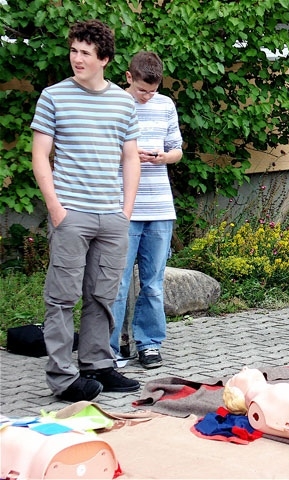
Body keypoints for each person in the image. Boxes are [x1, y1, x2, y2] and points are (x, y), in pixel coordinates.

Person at [30, 20, 141, 402]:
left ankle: (97, 365)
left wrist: (125, 211)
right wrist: (55, 207)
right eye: (73, 50)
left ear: (104, 59)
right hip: (71, 214)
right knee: (61, 298)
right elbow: (40, 156)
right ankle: (63, 379)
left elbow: (130, 157)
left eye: (85, 53)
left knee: (102, 297)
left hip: (111, 217)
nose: (76, 59)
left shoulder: (123, 102)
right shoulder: (54, 97)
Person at [109, 51, 183, 369]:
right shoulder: (112, 103)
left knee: (153, 283)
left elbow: (177, 150)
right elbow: (101, 150)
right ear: (129, 77)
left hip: (160, 207)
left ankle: (149, 344)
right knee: (117, 282)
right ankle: (109, 348)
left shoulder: (165, 105)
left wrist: (163, 157)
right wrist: (129, 155)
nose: (147, 96)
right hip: (123, 207)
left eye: (152, 91)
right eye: (142, 90)